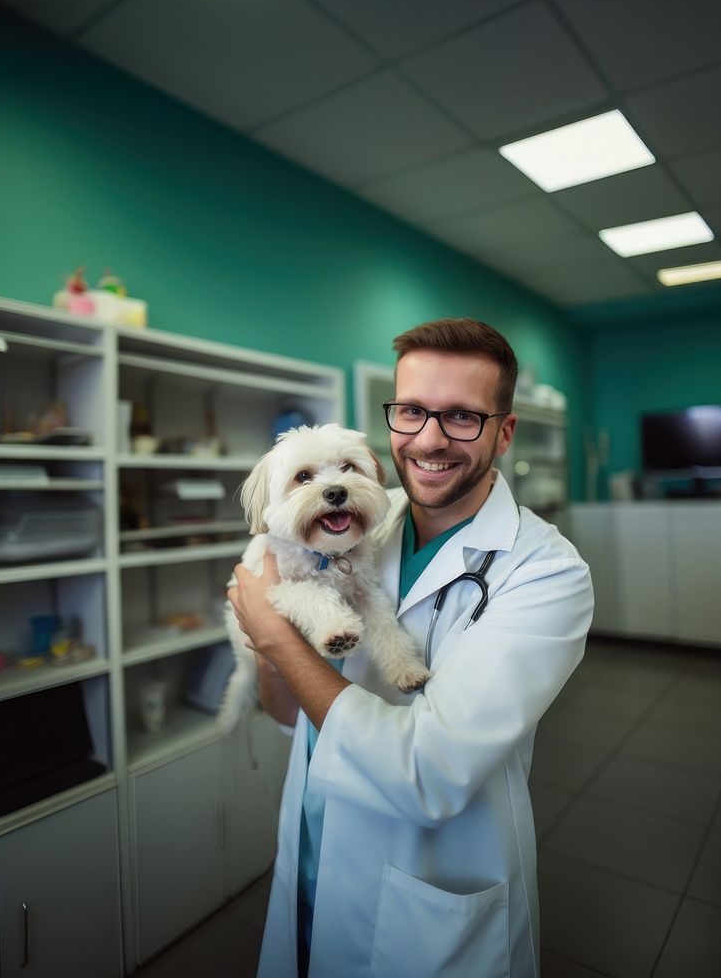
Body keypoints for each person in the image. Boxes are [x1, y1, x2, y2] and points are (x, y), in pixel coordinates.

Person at [228, 318, 594, 977]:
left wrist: (277, 633)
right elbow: (286, 714)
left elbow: (429, 775)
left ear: (504, 432)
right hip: (313, 840)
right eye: (412, 411)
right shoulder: (356, 516)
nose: (428, 438)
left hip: (426, 879)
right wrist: (264, 645)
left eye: (461, 417)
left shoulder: (547, 572)